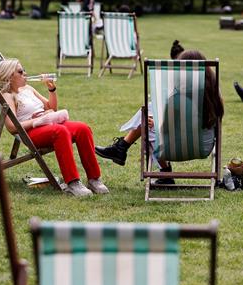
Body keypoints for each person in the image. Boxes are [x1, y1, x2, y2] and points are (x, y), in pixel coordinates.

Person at [95, 43, 224, 184]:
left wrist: (156, 124)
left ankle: (162, 170)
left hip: (172, 149)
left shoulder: (177, 99)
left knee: (147, 120)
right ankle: (122, 147)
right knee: (150, 109)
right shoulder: (214, 96)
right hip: (203, 147)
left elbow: (167, 130)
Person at [0, 59, 108, 196]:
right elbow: (12, 127)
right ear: (9, 76)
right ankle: (73, 182)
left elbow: (51, 107)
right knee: (60, 131)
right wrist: (38, 121)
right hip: (31, 131)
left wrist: (51, 90)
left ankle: (94, 179)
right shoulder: (7, 96)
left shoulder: (28, 89)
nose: (25, 73)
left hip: (48, 122)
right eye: (20, 71)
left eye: (24, 69)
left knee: (82, 128)